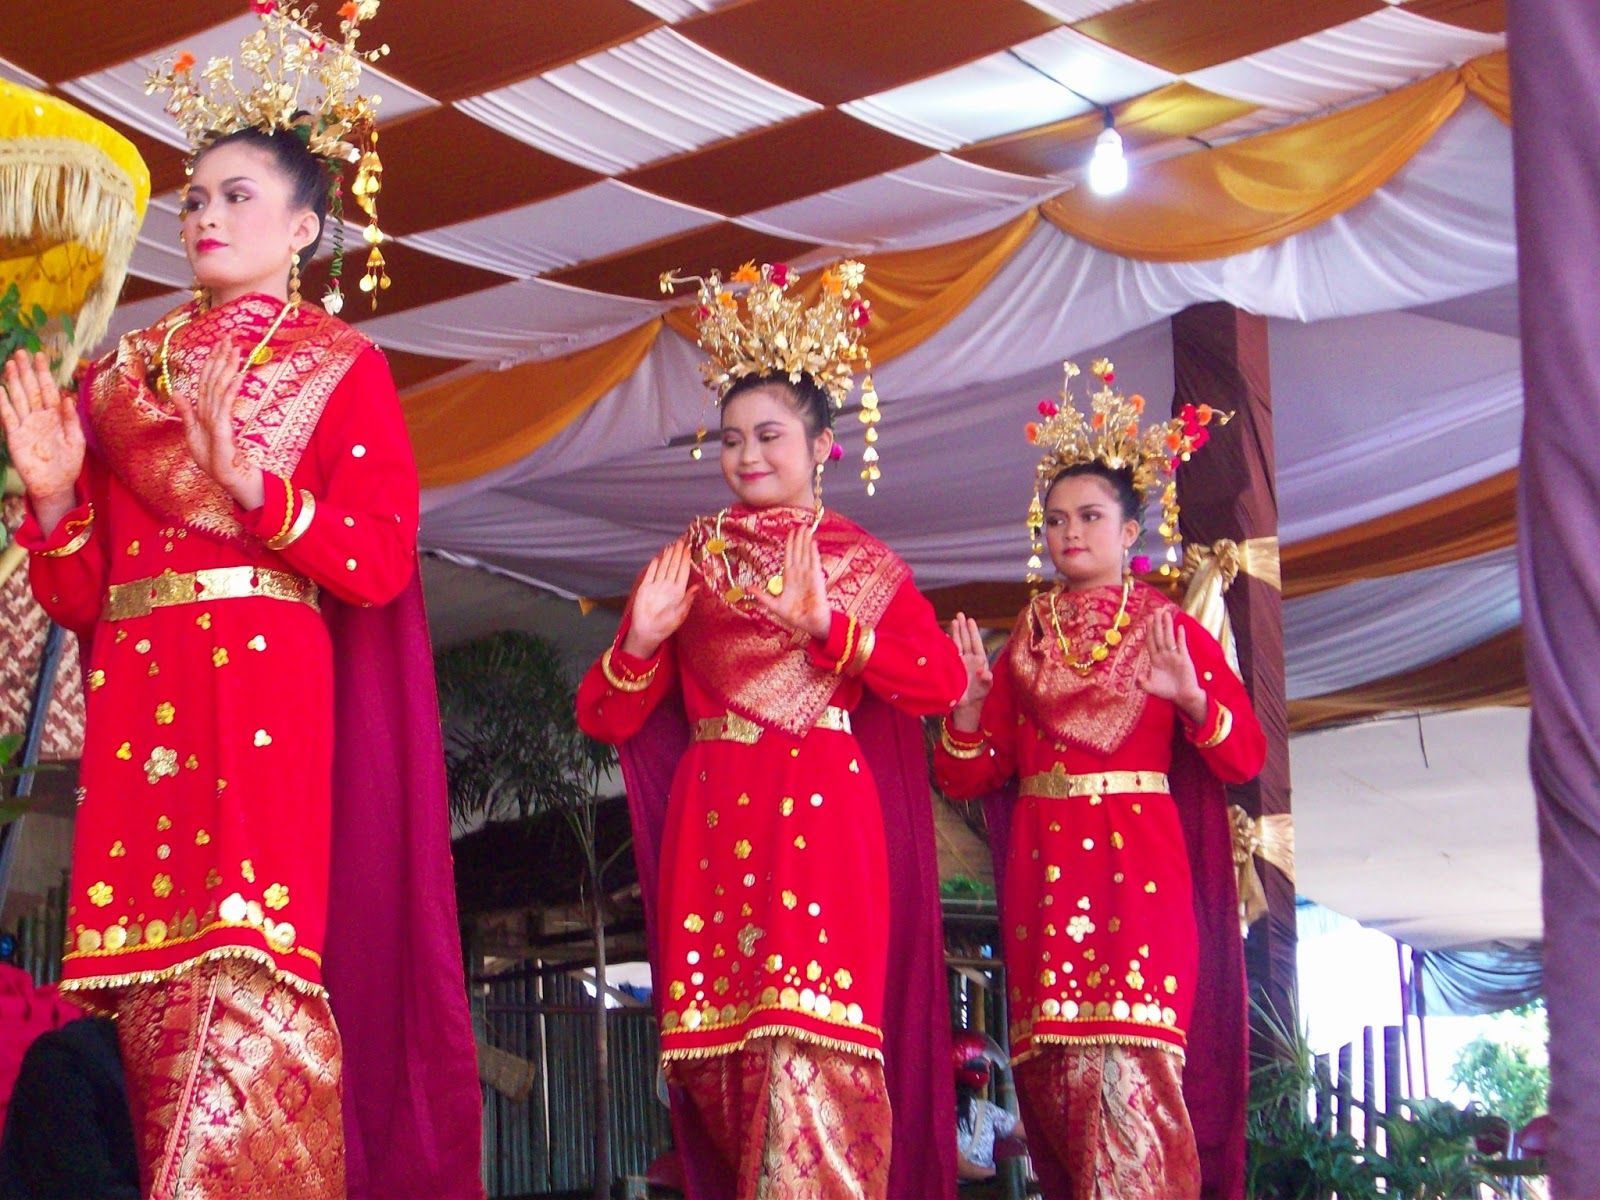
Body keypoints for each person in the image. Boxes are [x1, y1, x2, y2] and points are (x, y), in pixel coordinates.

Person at [0, 6, 481, 1198]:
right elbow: (79, 596)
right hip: (138, 708)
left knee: (243, 980)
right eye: (195, 200)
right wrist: (56, 498)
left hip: (264, 691)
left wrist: (262, 494)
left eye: (234, 198)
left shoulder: (340, 367)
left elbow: (375, 562)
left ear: (305, 226)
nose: (205, 217)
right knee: (139, 1000)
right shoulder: (118, 375)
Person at [578, 261, 966, 1200]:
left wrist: (830, 628)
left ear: (824, 444)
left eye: (771, 435)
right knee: (726, 1076)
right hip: (714, 840)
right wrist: (639, 638)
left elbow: (941, 682)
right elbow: (605, 716)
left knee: (814, 1066)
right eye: (732, 438)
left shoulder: (863, 565)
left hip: (825, 835)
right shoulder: (688, 563)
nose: (748, 455)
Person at [932, 361, 1265, 1200]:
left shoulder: (1170, 628)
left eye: (1090, 517)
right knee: (1061, 1090)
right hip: (1046, 888)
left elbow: (1246, 757)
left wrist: (1194, 698)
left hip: (1142, 892)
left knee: (1135, 1082)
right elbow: (966, 775)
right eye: (1056, 519)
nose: (1070, 533)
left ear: (1129, 533)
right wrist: (968, 708)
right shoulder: (1025, 644)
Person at [952, 1030, 1024, 1184]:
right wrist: (1005, 1175)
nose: (987, 1065)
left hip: (991, 1189)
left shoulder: (986, 1110)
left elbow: (1026, 1132)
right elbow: (960, 1168)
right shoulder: (938, 1114)